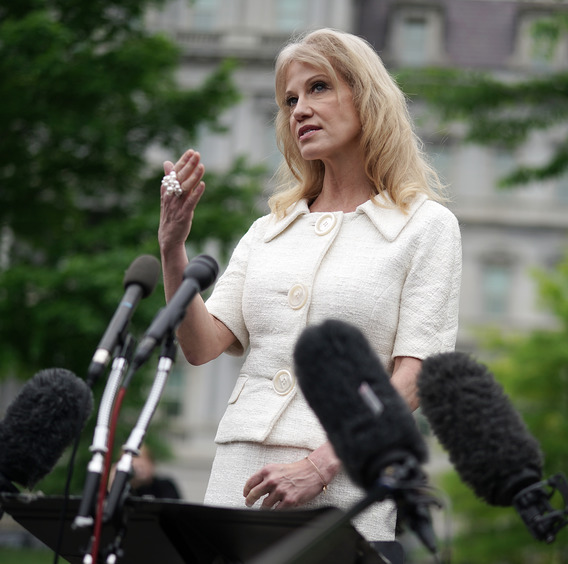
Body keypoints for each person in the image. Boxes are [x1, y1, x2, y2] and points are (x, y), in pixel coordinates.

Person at [156, 28, 462, 561]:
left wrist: (320, 467)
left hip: (342, 481)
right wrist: (173, 249)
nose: (299, 109)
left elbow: (413, 376)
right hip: (238, 477)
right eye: (289, 100)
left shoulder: (426, 227)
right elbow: (201, 345)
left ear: (366, 98)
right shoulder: (269, 229)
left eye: (319, 88)